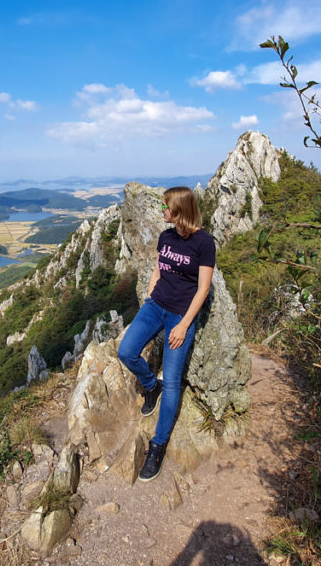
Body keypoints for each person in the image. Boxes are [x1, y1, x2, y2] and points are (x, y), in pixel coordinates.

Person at [117, 186, 215, 482]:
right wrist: (150, 291)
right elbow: (159, 268)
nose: (163, 211)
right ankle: (150, 385)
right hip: (155, 306)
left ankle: (157, 445)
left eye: (166, 207)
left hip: (179, 316)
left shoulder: (204, 242)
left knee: (172, 382)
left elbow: (203, 288)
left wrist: (184, 324)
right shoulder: (167, 236)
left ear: (179, 210)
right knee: (126, 351)